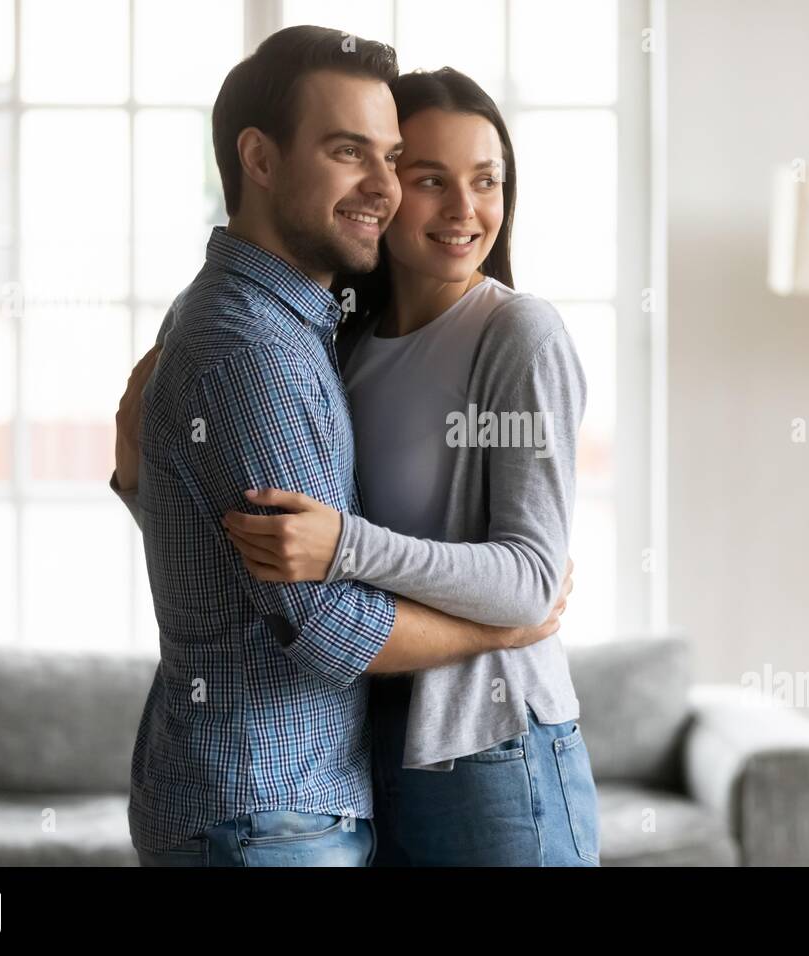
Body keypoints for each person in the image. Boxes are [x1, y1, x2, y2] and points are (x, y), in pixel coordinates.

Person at [110, 26, 567, 869]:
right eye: (351, 152)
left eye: (393, 159)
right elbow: (320, 623)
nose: (385, 188)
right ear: (260, 159)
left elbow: (239, 547)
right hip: (272, 805)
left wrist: (142, 480)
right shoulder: (268, 345)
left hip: (326, 788)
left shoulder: (304, 328)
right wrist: (498, 633)